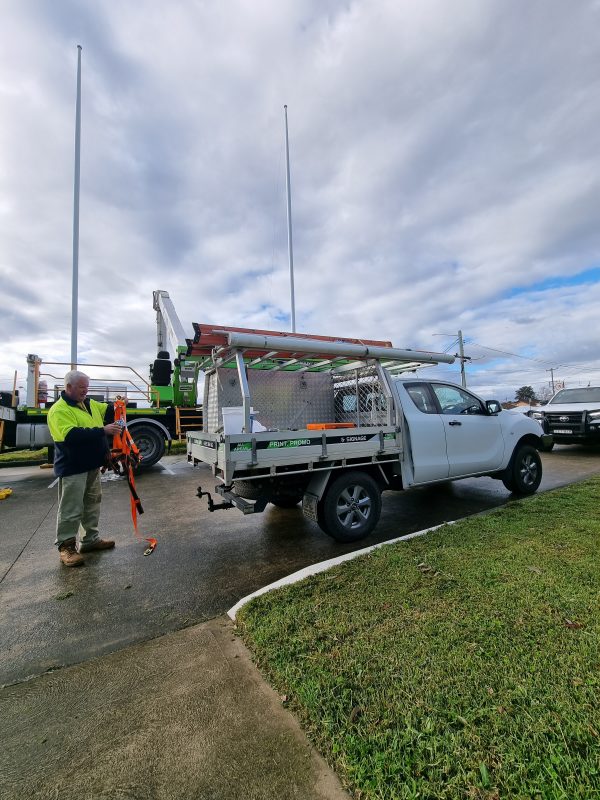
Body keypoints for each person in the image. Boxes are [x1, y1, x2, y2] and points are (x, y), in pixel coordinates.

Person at [47, 370, 121, 567]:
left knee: (92, 503)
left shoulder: (88, 403)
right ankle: (66, 547)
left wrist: (120, 403)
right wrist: (102, 430)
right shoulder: (59, 410)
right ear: (69, 387)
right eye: (81, 388)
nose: (85, 391)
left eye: (87, 388)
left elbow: (110, 411)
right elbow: (71, 435)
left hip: (92, 466)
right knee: (71, 507)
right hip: (73, 467)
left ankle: (90, 540)